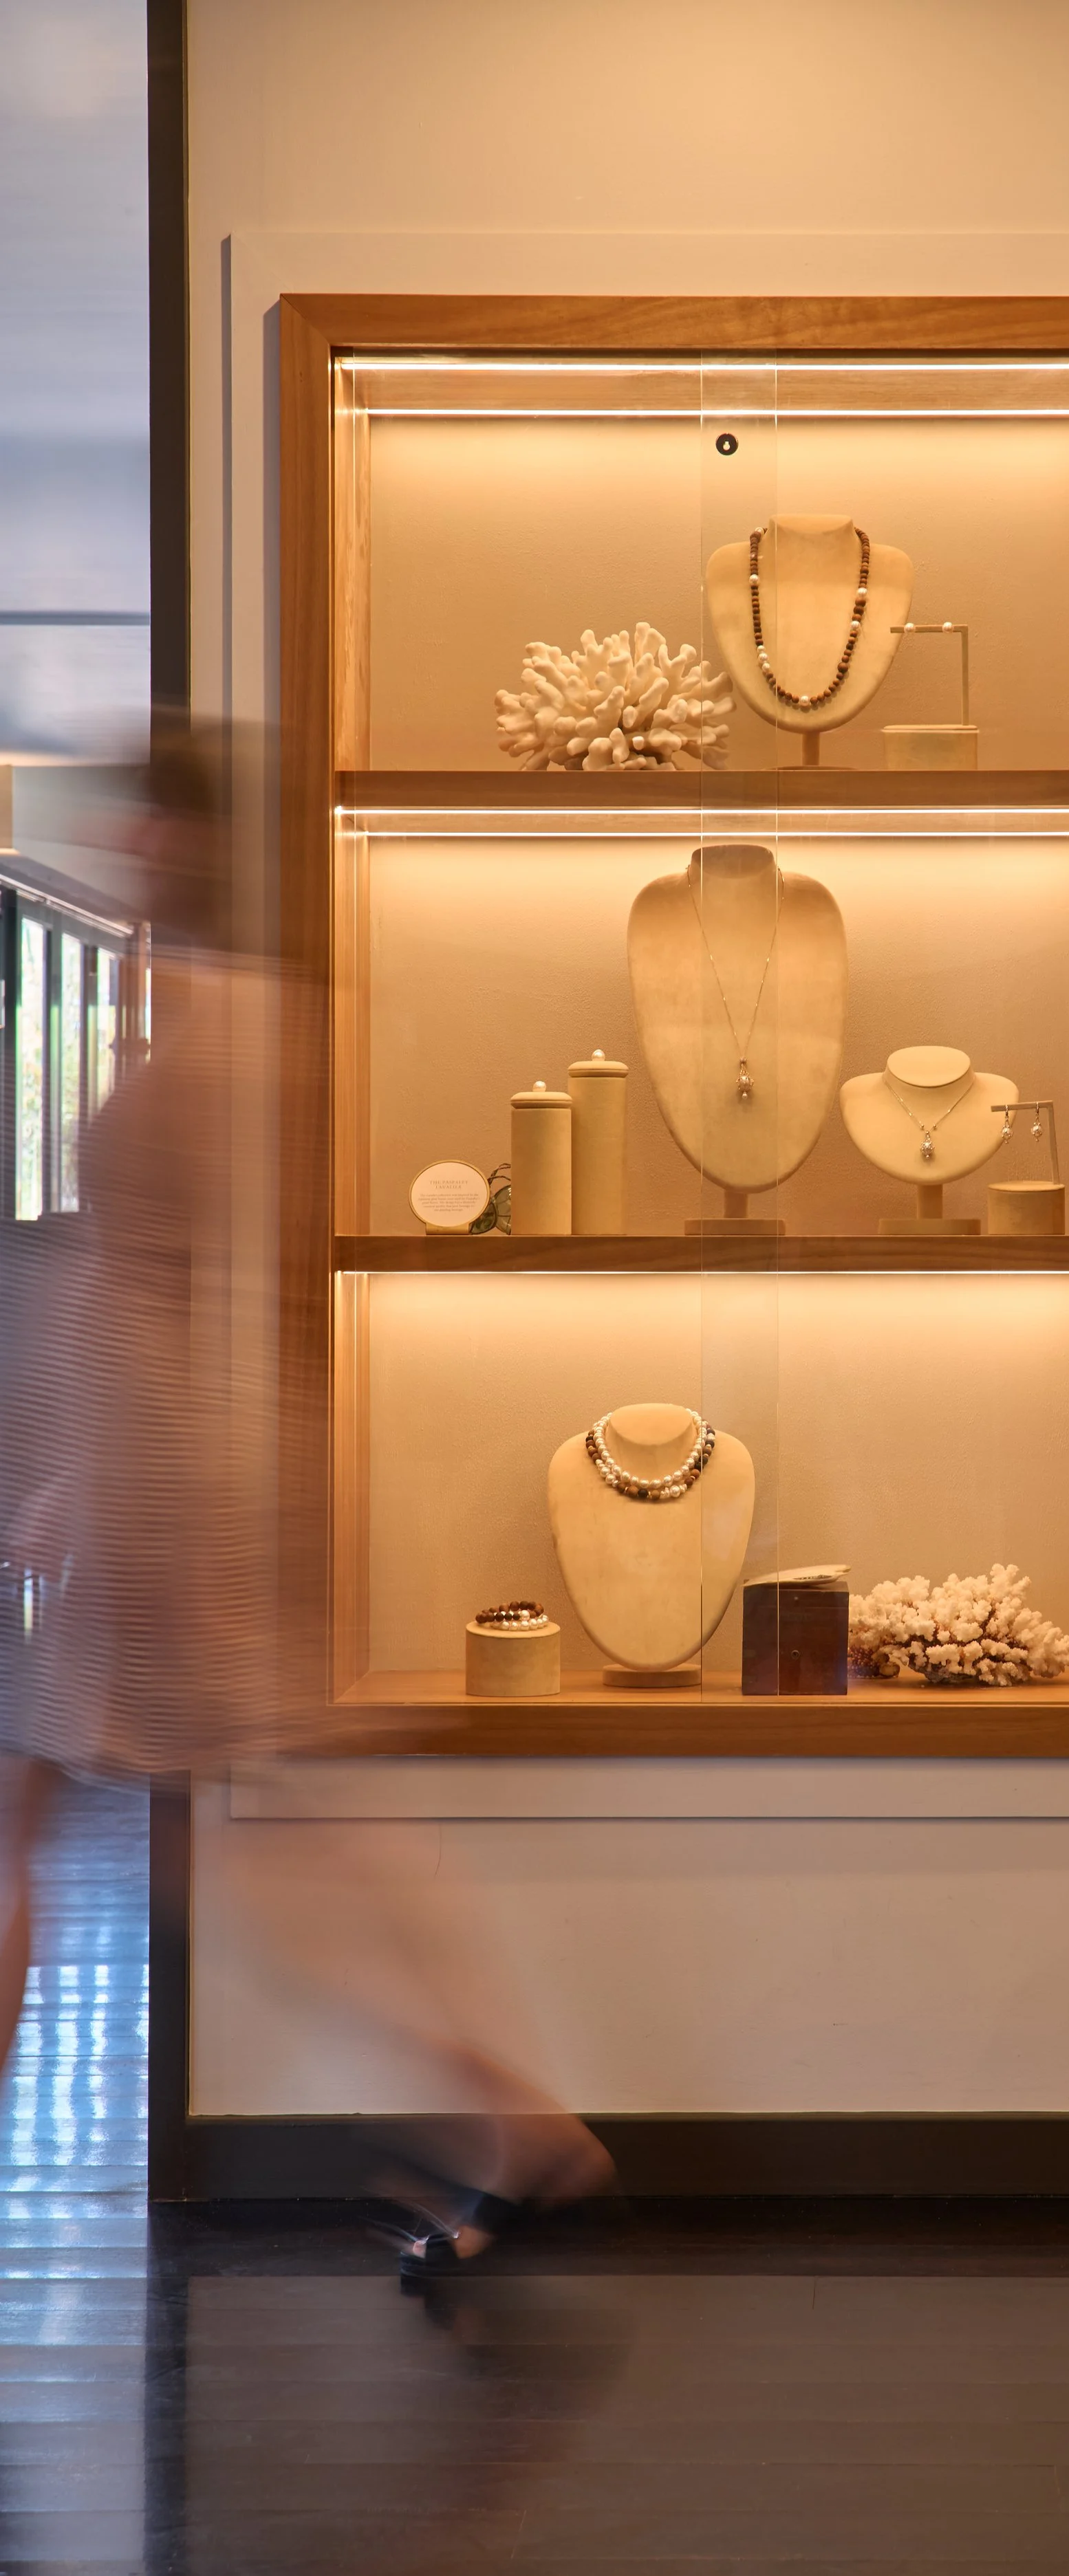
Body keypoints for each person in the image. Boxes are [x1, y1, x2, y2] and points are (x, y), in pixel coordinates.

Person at [0, 726, 612, 2268]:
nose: (131, 847)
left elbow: (210, 1292)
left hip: (177, 1480)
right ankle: (503, 2111)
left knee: (231, 1839)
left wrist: (116, 1484)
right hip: (170, 1468)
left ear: (197, 841)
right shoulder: (245, 1012)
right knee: (235, 1830)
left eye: (153, 823)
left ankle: (502, 2107)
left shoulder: (243, 1020)